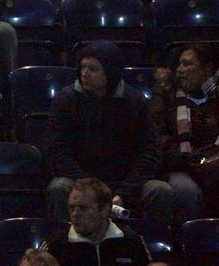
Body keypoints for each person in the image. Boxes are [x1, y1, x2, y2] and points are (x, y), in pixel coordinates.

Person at [45, 44, 175, 230]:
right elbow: (56, 151)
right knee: (58, 188)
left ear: (110, 72)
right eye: (82, 68)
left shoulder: (133, 101)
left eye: (93, 69)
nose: (85, 73)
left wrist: (124, 192)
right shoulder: (66, 100)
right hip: (81, 180)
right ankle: (64, 247)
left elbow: (150, 152)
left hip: (125, 182)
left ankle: (152, 250)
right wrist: (88, 188)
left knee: (160, 190)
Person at [150, 43, 219, 222]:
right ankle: (187, 244)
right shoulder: (166, 95)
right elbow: (159, 138)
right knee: (185, 191)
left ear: (207, 69)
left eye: (188, 64)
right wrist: (192, 161)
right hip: (183, 166)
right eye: (179, 64)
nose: (180, 70)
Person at [51, 177, 154, 266]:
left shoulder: (130, 242)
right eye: (71, 207)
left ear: (105, 210)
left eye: (83, 208)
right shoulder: (57, 245)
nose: (74, 214)